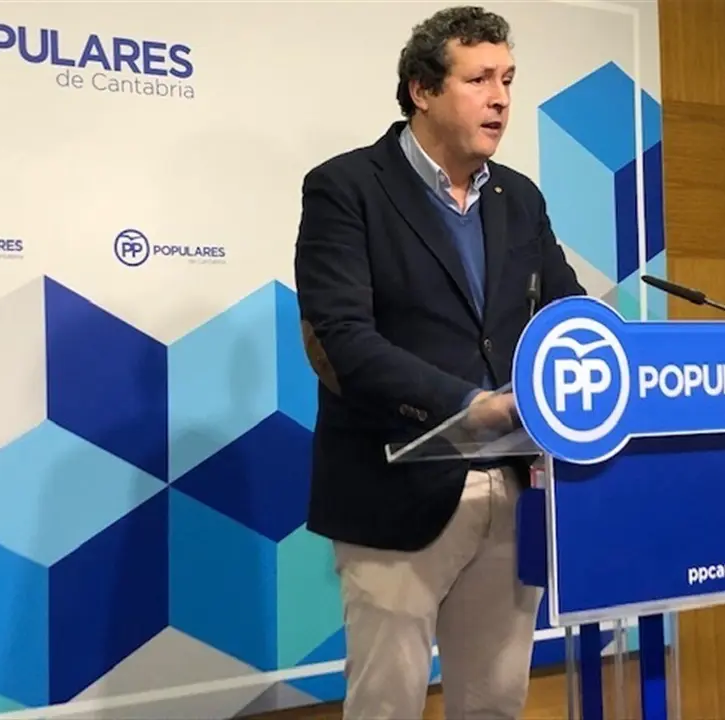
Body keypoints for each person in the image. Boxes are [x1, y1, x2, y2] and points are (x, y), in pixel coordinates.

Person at [293, 5, 585, 718]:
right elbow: (342, 340)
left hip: (513, 486)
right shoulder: (347, 188)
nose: (500, 98)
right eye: (479, 79)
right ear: (422, 90)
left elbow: (568, 315)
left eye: (508, 79)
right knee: (387, 704)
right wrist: (465, 405)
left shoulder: (520, 198)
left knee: (494, 703)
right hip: (396, 488)